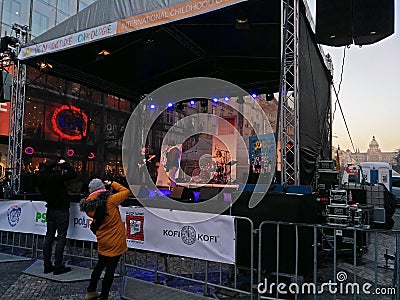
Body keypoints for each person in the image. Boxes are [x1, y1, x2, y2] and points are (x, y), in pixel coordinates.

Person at [80, 178, 130, 300]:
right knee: (110, 270)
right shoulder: (111, 200)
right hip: (116, 240)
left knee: (100, 265)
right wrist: (112, 183)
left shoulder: (88, 205)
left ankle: (91, 291)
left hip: (102, 240)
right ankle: (104, 296)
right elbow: (126, 191)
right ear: (102, 188)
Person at [33, 157, 77, 275]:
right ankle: (58, 265)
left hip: (51, 209)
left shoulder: (40, 177)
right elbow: (72, 173)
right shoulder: (55, 178)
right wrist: (65, 165)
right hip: (61, 209)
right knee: (61, 238)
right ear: (54, 168)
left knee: (49, 237)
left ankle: (47, 265)